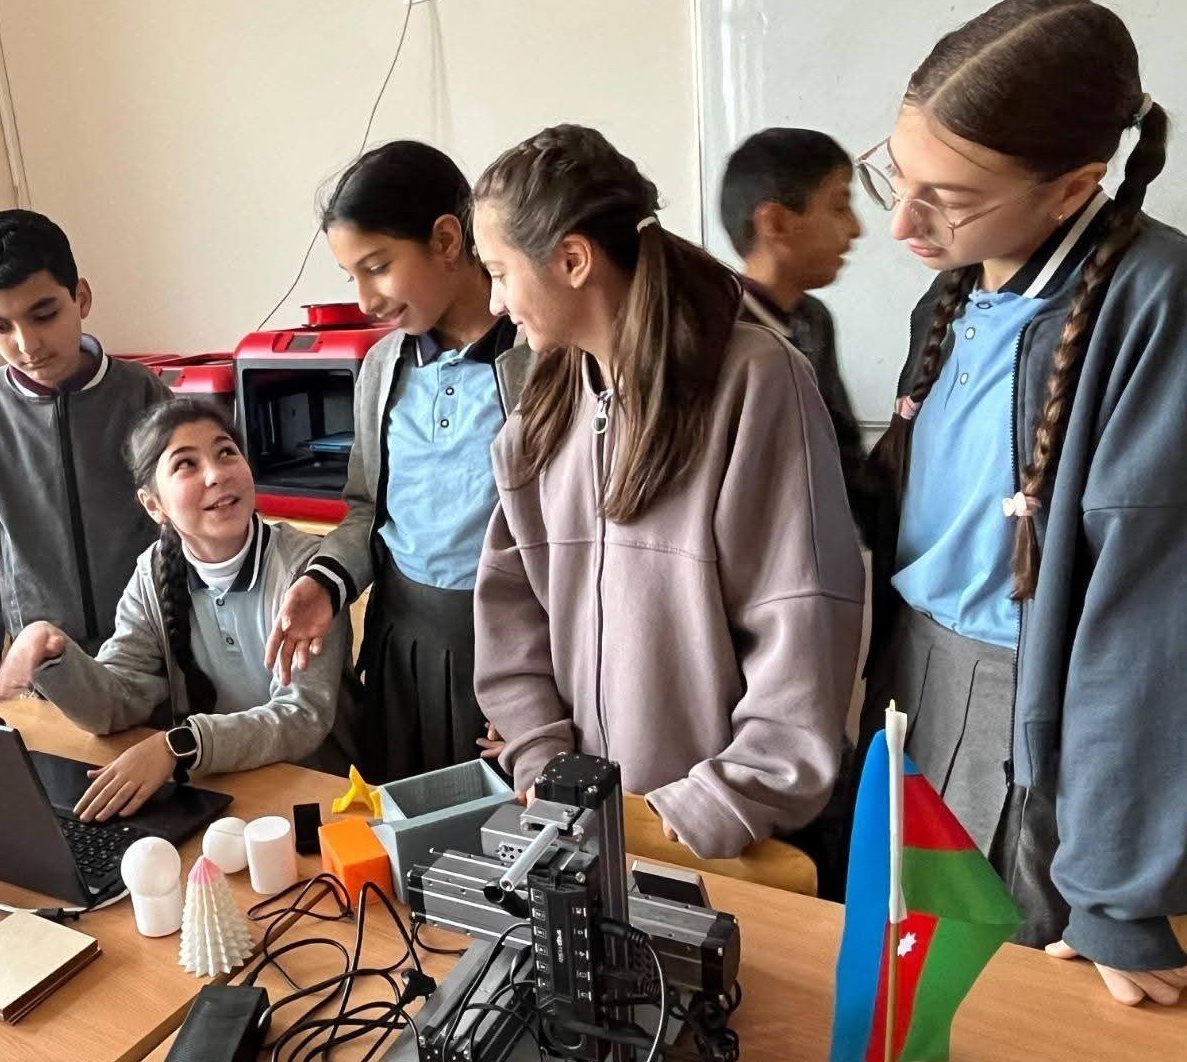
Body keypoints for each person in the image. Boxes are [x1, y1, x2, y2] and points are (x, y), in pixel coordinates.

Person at [858, 0, 1187, 1005]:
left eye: (946, 199)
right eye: (894, 176)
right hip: (911, 683)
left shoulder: (1153, 303)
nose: (902, 223)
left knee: (996, 1004)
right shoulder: (957, 285)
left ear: (1073, 189)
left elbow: (1145, 621)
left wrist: (1117, 895)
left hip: (1035, 716)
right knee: (902, 983)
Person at [471, 124, 865, 860]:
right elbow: (512, 604)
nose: (495, 301)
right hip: (583, 830)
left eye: (499, 271)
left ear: (573, 260)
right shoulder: (541, 408)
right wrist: (542, 758)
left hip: (724, 842)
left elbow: (801, 622)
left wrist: (714, 806)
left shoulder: (755, 379)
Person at [262, 141, 534, 782]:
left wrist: (544, 689)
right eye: (351, 276)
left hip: (508, 654)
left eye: (378, 267)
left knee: (505, 824)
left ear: (446, 240)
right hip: (400, 648)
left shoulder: (539, 361)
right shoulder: (383, 368)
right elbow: (365, 509)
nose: (365, 299)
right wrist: (325, 582)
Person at [0, 400, 355, 821]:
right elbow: (119, 701)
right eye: (186, 464)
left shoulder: (307, 573)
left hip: (318, 791)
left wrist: (178, 745)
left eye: (226, 453)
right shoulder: (153, 571)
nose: (216, 475)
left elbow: (301, 717)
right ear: (153, 505)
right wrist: (51, 652)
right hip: (217, 789)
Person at [0, 210, 169, 713]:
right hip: (42, 665)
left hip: (150, 655)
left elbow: (180, 530)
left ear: (80, 298)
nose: (27, 345)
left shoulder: (141, 393)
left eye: (43, 315)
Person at [720, 127, 873, 532]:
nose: (856, 229)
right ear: (775, 222)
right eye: (839, 207)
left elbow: (843, 447)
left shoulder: (813, 320)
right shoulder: (718, 327)